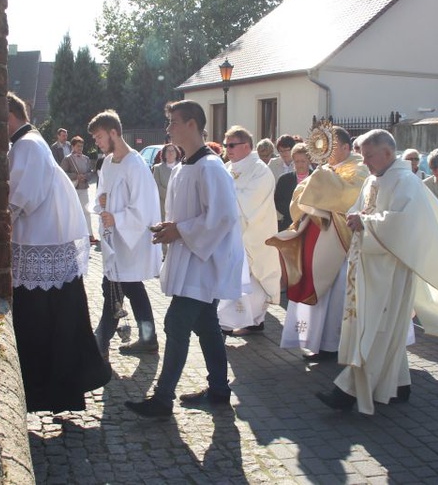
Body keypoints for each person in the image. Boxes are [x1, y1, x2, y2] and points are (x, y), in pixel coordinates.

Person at [316, 129, 438, 414]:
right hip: (368, 267)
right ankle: (398, 384)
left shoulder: (406, 181)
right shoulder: (374, 179)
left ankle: (347, 391)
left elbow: (406, 224)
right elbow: (360, 209)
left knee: (376, 329)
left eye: (369, 156)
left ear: (387, 153)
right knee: (386, 329)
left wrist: (365, 222)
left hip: (390, 270)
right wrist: (355, 217)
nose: (365, 162)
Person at [124, 100, 244, 418]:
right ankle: (219, 389)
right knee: (206, 325)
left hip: (206, 261)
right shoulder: (183, 167)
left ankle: (163, 399)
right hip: (193, 257)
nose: (168, 129)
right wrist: (171, 228)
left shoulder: (211, 167)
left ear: (191, 124)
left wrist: (180, 231)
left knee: (176, 322)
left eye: (173, 122)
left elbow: (223, 218)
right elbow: (186, 215)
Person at [6, 92, 110, 413]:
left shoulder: (26, 145)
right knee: (58, 323)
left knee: (45, 326)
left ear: (7, 114)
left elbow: (20, 196)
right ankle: (57, 394)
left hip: (41, 245)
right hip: (45, 246)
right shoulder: (30, 142)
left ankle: (49, 393)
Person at [269, 125, 369, 362]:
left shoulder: (360, 169)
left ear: (346, 147)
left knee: (336, 299)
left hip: (343, 249)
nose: (328, 153)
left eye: (332, 148)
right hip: (318, 243)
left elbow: (348, 198)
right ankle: (317, 342)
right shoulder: (326, 169)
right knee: (321, 298)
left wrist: (322, 180)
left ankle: (333, 345)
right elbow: (300, 197)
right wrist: (320, 180)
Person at [88, 110, 162, 357]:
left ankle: (100, 341)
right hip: (114, 240)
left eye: (99, 137)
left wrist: (117, 217)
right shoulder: (108, 163)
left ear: (113, 132)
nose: (96, 143)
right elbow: (102, 194)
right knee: (128, 288)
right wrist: (102, 203)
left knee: (115, 288)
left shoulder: (136, 164)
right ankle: (148, 338)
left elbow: (144, 207)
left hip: (131, 240)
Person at [217, 126, 281, 337]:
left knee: (252, 279)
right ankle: (235, 322)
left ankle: (247, 321)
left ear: (246, 146)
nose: (228, 149)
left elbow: (250, 202)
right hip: (231, 235)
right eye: (226, 145)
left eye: (232, 145)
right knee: (232, 279)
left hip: (252, 235)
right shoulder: (227, 167)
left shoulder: (260, 171)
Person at [61, 136, 98, 245]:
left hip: (84, 188)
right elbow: (62, 173)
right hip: (73, 189)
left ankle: (90, 235)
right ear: (72, 146)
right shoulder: (67, 159)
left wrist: (85, 176)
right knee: (72, 212)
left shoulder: (86, 158)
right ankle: (71, 236)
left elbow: (91, 172)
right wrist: (76, 176)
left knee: (86, 211)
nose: (80, 148)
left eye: (81, 146)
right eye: (78, 146)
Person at [274, 143, 312, 231]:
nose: (300, 165)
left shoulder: (316, 179)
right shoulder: (283, 180)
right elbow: (278, 201)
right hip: (288, 224)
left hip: (311, 224)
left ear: (309, 160)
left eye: (303, 161)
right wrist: (294, 212)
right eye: (297, 161)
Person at [152, 143, 183, 221]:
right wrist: (170, 196)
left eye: (173, 150)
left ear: (177, 153)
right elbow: (156, 186)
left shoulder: (182, 168)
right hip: (163, 207)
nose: (170, 153)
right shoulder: (158, 168)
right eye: (168, 151)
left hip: (179, 205)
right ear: (164, 154)